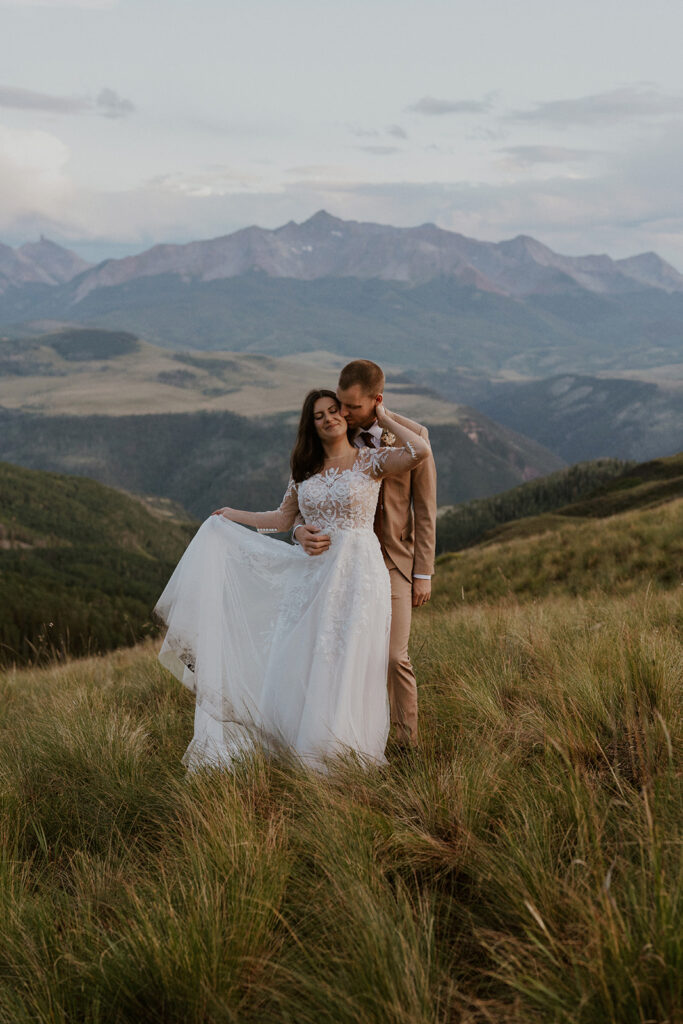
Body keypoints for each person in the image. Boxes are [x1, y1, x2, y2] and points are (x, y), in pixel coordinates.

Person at [153, 388, 431, 773]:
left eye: (335, 411)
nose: (330, 418)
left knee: (349, 659)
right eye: (319, 415)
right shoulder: (305, 470)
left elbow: (420, 451)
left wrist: (381, 416)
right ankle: (299, 745)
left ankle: (342, 748)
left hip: (359, 575)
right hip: (312, 576)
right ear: (311, 425)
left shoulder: (370, 461)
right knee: (302, 657)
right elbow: (283, 519)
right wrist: (232, 515)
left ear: (344, 416)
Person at [293, 361, 437, 749]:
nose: (343, 413)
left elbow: (424, 510)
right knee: (342, 654)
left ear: (377, 401)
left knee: (393, 657)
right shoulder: (336, 432)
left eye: (352, 406)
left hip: (390, 563)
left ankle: (406, 744)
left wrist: (423, 572)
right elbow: (304, 499)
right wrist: (297, 531)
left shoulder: (412, 436)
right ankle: (349, 738)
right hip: (338, 565)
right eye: (340, 404)